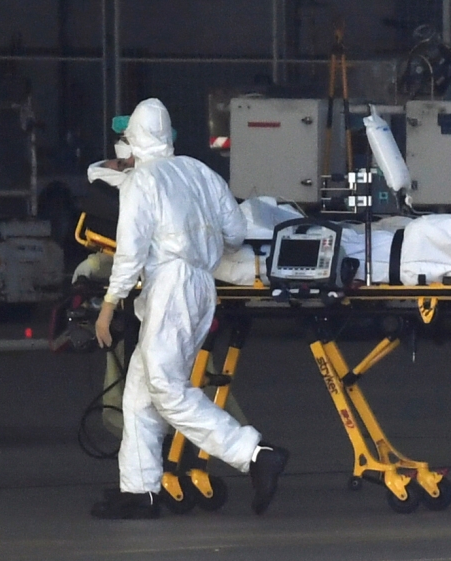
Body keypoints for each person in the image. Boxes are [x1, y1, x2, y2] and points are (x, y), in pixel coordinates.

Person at [91, 98, 288, 519]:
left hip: (171, 287)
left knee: (165, 388)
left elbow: (129, 253)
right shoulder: (199, 171)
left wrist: (108, 304)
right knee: (139, 396)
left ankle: (254, 454)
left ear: (134, 138)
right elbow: (234, 231)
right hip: (201, 285)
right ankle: (139, 491)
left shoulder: (142, 181)